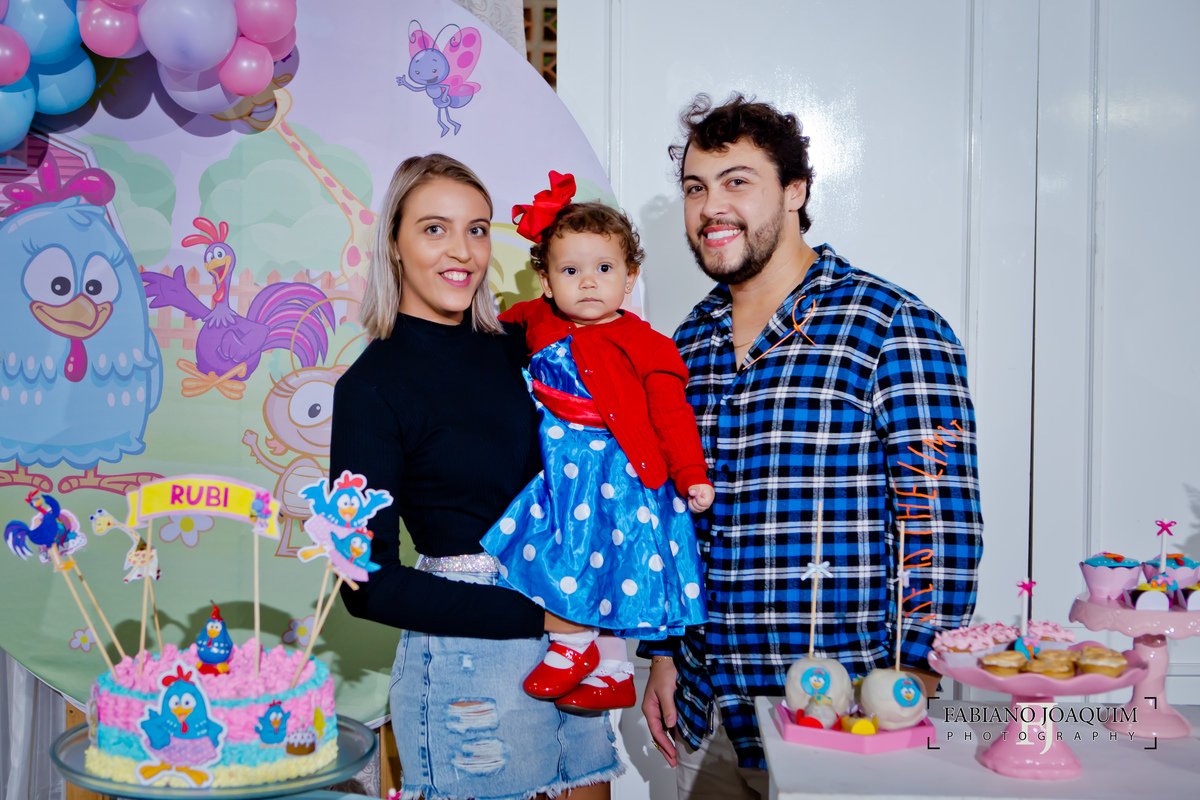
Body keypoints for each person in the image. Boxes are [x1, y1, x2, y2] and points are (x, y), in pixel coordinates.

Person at [640, 94, 984, 798]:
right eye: (696, 188)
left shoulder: (891, 326)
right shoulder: (686, 343)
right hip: (709, 713)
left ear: (795, 190)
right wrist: (665, 654)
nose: (711, 207)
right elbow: (673, 514)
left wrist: (913, 678)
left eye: (737, 182)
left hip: (842, 718)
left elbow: (940, 523)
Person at [332, 154, 622, 800]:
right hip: (473, 662)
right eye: (434, 229)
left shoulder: (522, 348)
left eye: (478, 229)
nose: (461, 251)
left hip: (572, 639)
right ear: (394, 244)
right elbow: (364, 584)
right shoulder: (371, 388)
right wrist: (540, 615)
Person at [479, 190, 712, 713]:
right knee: (556, 546)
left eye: (604, 269)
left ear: (629, 278)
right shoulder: (534, 320)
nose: (588, 282)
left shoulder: (649, 344)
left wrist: (691, 473)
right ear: (546, 281)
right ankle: (609, 670)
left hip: (617, 474)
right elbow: (484, 337)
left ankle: (579, 648)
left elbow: (671, 414)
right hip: (559, 469)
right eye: (570, 271)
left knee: (600, 558)